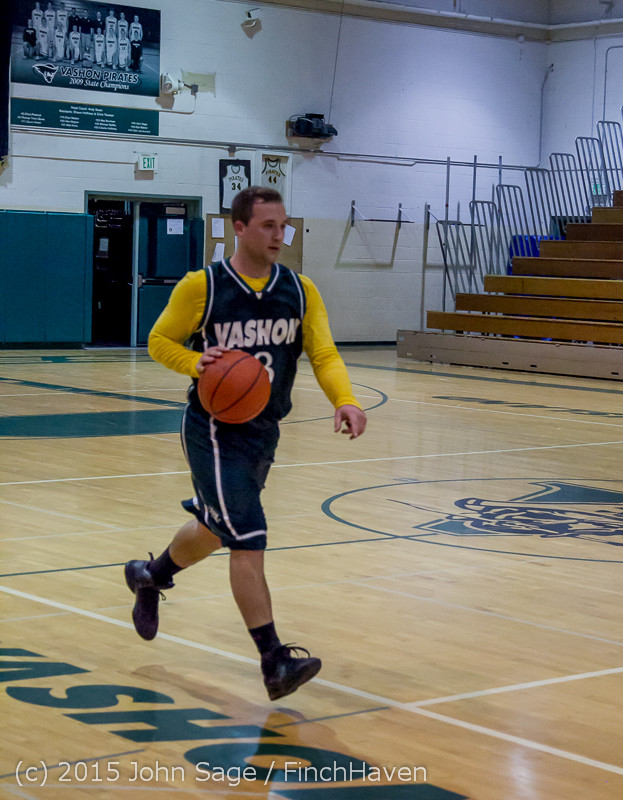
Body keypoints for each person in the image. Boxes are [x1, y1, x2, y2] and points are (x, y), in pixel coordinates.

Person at [124, 187, 367, 701]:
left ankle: (150, 575)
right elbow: (159, 341)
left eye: (283, 226)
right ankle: (274, 660)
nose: (279, 235)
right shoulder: (203, 286)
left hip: (264, 430)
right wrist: (196, 363)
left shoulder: (300, 290)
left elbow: (324, 354)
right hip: (212, 429)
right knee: (248, 535)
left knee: (217, 530)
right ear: (239, 227)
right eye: (267, 226)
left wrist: (345, 399)